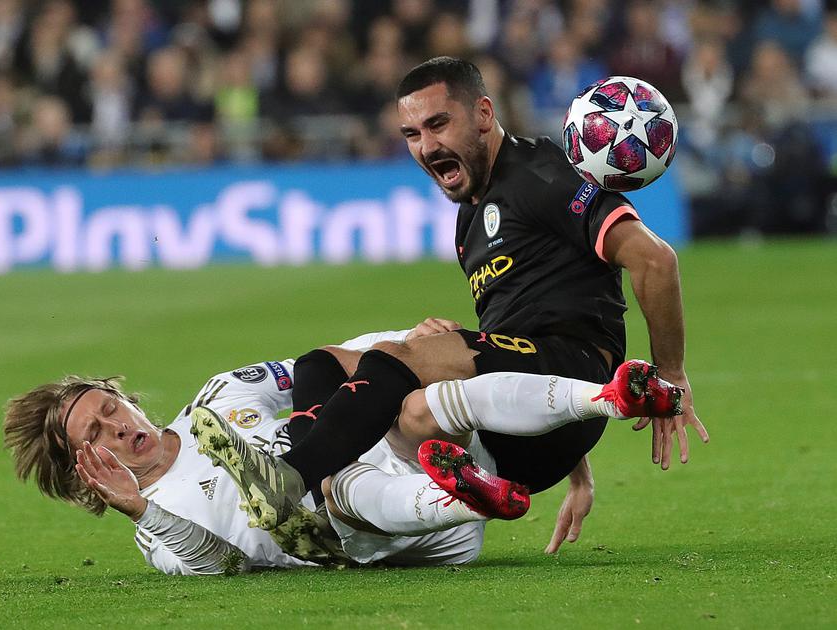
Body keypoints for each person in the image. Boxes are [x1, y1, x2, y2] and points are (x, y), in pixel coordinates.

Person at [197, 57, 708, 554]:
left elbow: (655, 260)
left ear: (483, 114)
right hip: (524, 413)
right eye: (411, 134)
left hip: (572, 364)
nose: (426, 146)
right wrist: (579, 468)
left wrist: (672, 376)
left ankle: (292, 479)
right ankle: (325, 498)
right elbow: (523, 332)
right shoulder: (469, 222)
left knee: (398, 360)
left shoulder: (542, 174)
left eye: (438, 124)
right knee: (325, 364)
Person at [3, 321, 677, 574]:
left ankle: (607, 398)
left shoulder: (219, 395)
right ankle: (460, 498)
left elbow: (336, 362)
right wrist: (140, 509)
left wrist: (411, 343)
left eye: (110, 407)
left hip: (421, 449)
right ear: (84, 473)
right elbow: (217, 565)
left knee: (416, 399)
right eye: (95, 435)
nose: (117, 426)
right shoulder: (157, 531)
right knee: (335, 495)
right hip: (387, 534)